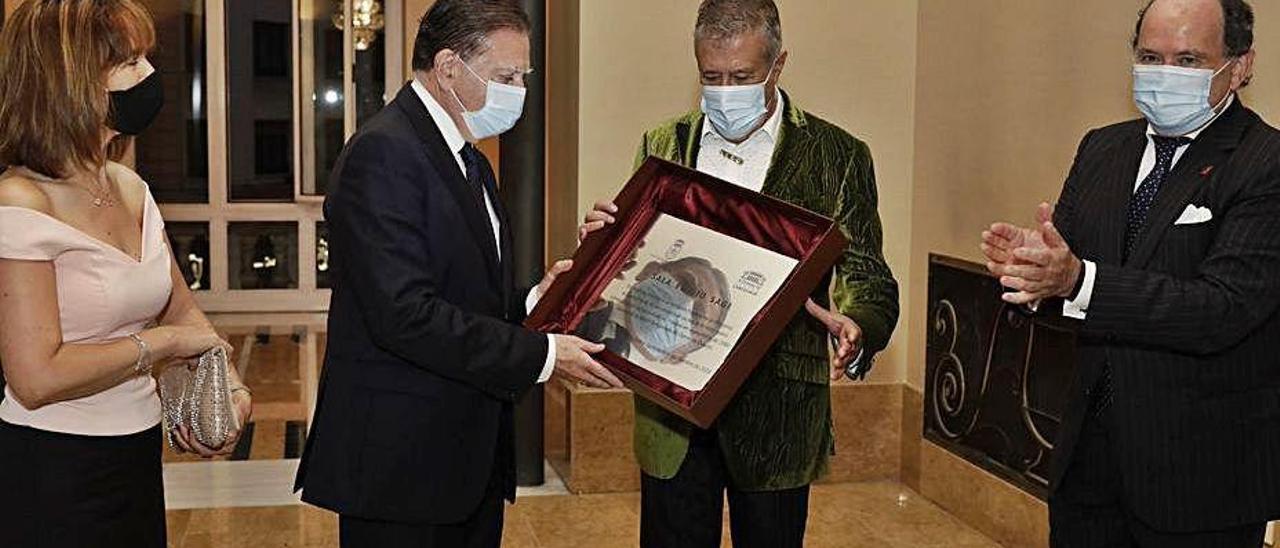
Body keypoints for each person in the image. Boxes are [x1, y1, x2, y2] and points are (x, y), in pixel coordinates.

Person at [293, 0, 623, 546]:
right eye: (506, 76)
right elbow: (404, 314)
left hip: (463, 461)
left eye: (523, 75)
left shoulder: (468, 158)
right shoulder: (384, 154)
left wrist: (544, 294)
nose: (518, 89)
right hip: (402, 468)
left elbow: (470, 294)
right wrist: (543, 355)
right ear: (449, 67)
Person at [577, 1, 899, 546]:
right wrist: (604, 249)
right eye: (711, 77)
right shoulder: (664, 144)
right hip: (671, 411)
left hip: (778, 415)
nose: (725, 90)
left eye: (742, 77)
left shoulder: (837, 155)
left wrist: (859, 326)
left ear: (779, 65)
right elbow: (639, 263)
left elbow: (869, 277)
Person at [982, 0, 1280, 545]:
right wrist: (1034, 271)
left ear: (1240, 67)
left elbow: (1221, 309)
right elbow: (1072, 275)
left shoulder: (1266, 163)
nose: (1164, 74)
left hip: (1202, 483)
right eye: (1150, 56)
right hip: (1087, 465)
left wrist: (1078, 280)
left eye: (1188, 60)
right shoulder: (1102, 148)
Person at [0, 1, 253, 546]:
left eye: (144, 58)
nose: (147, 76)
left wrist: (227, 382)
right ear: (65, 80)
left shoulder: (130, 186)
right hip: (54, 467)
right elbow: (35, 378)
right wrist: (162, 345)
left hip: (135, 452)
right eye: (127, 61)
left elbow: (179, 307)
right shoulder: (21, 199)